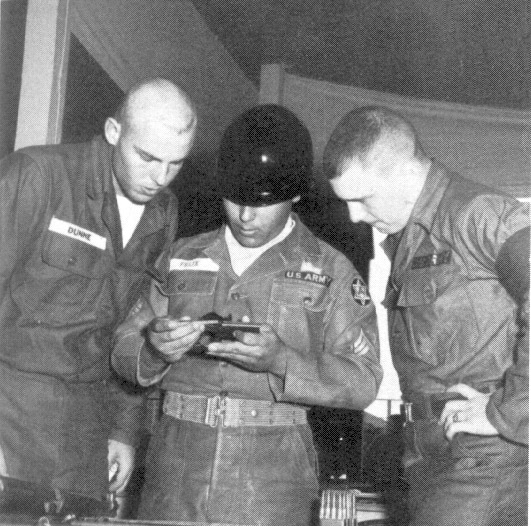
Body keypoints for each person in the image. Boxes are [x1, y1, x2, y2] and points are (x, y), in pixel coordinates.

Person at [112, 104, 383, 526]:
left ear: (294, 195)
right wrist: (152, 348)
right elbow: (122, 346)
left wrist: (282, 361)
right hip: (174, 468)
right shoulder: (181, 256)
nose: (244, 216)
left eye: (263, 203)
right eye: (234, 199)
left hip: (272, 480)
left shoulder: (330, 271)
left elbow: (363, 378)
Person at [323, 105, 529, 526]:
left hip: (485, 457)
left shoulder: (478, 214)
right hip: (426, 452)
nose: (355, 216)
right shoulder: (405, 238)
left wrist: (506, 411)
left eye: (362, 198)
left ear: (401, 172)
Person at [0, 78, 197, 508]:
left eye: (175, 164)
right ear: (113, 132)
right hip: (11, 406)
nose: (159, 177)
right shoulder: (36, 176)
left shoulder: (164, 212)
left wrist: (123, 430)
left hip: (86, 423)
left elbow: (132, 324)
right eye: (146, 157)